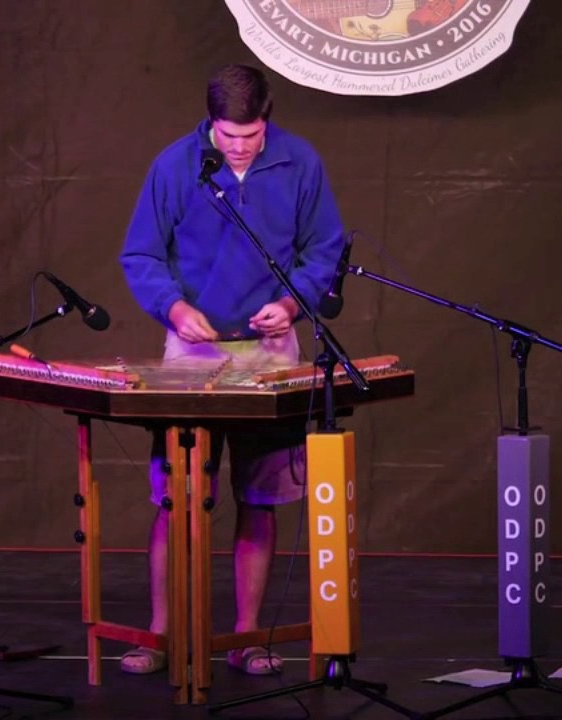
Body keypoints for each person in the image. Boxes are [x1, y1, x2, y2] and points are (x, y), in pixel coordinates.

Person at [117, 63, 346, 676]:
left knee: (260, 499)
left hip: (270, 349)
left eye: (250, 136)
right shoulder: (175, 165)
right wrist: (174, 307)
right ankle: (159, 634)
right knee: (179, 499)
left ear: (267, 119)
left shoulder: (300, 162)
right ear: (210, 122)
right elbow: (141, 253)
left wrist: (292, 303)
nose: (239, 147)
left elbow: (324, 248)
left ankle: (248, 636)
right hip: (194, 351)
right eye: (227, 135)